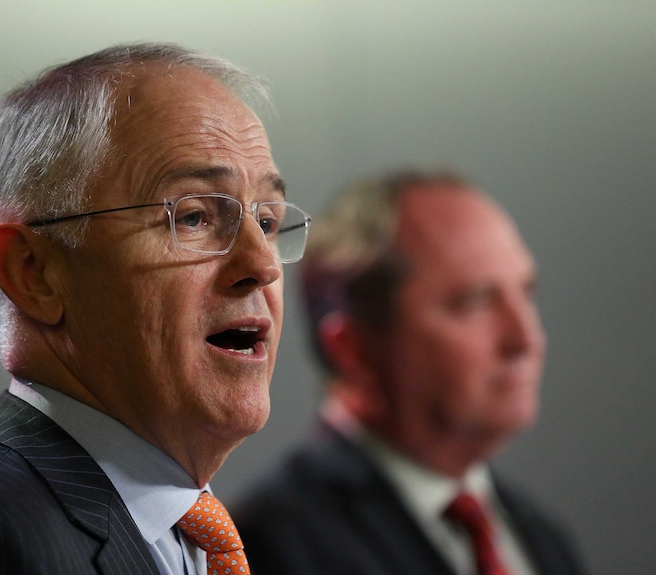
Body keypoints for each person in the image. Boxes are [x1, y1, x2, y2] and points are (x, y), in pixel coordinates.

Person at [0, 42, 311, 575]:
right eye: (194, 217)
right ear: (33, 272)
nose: (262, 265)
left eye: (268, 222)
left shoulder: (189, 540)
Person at [232, 170, 588, 575]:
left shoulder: (544, 540)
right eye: (474, 303)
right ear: (355, 350)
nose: (525, 339)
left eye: (525, 294)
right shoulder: (272, 547)